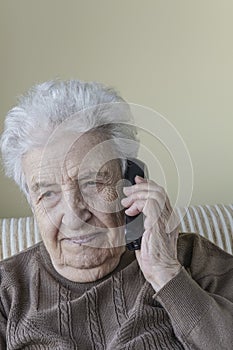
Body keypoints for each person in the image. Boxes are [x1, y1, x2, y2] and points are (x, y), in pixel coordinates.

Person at [0, 80, 232, 350]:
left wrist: (166, 274)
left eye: (92, 183)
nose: (74, 216)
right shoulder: (8, 292)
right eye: (48, 194)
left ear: (131, 181)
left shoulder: (190, 258)